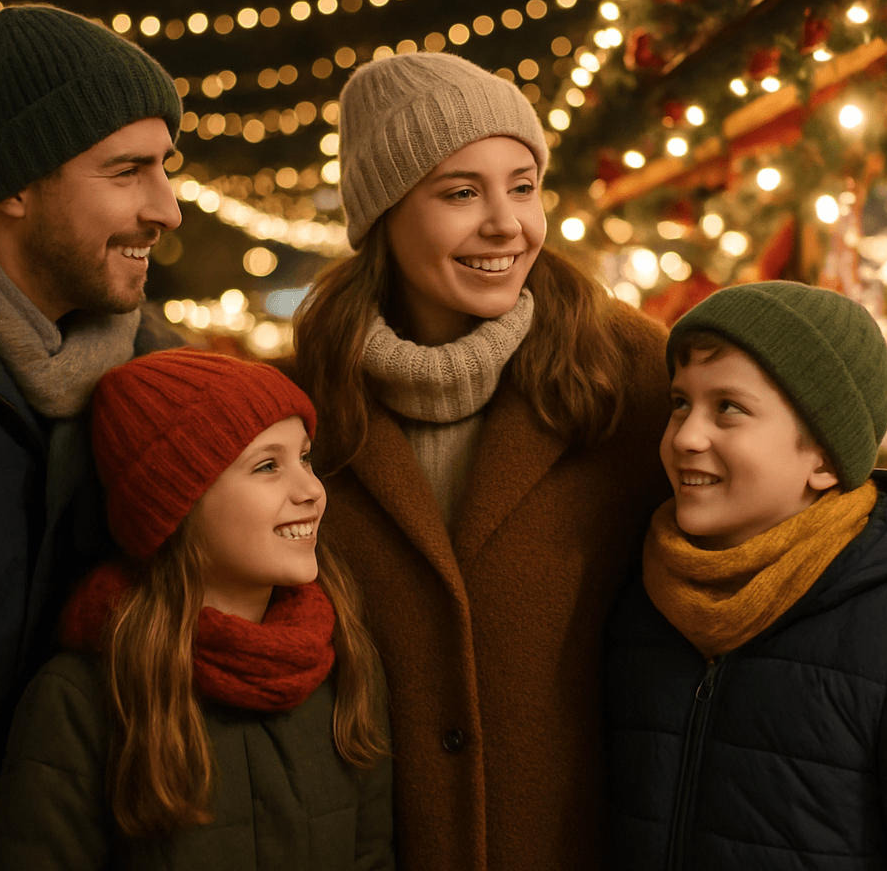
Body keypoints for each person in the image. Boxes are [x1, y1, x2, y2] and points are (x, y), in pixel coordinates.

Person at [282, 51, 673, 871]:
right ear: (384, 213)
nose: (508, 223)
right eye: (461, 192)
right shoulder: (297, 413)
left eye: (523, 184)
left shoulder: (631, 375)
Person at [605, 281, 887, 869]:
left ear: (825, 458)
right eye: (680, 402)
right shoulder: (642, 597)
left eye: (728, 408)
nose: (685, 436)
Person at [0, 349, 394, 870]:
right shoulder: (83, 699)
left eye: (305, 457)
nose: (312, 490)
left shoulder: (347, 665)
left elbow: (373, 857)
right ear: (177, 502)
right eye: (268, 465)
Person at [0, 3, 184, 861]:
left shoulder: (163, 392)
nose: (167, 208)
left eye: (167, 167)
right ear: (13, 183)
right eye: (127, 171)